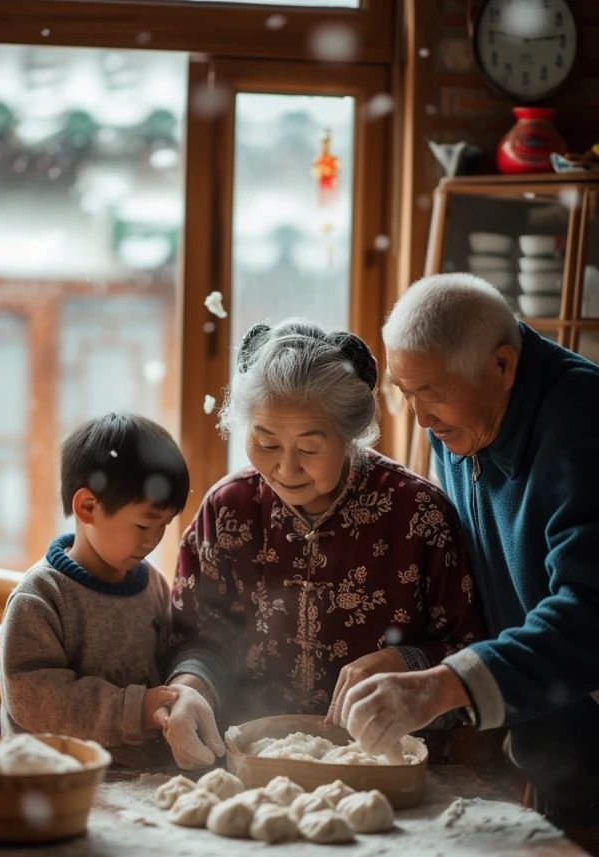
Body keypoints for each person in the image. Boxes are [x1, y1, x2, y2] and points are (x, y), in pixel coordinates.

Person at [337, 272, 599, 827]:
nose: (422, 418)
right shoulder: (462, 423)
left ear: (502, 365)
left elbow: (590, 614)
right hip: (554, 750)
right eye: (405, 394)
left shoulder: (582, 431)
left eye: (431, 393)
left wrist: (443, 685)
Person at [168, 318, 484, 731]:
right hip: (250, 755)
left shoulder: (418, 514)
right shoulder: (229, 510)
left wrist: (403, 661)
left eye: (309, 447)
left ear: (349, 436)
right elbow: (196, 636)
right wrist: (190, 690)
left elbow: (472, 650)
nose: (285, 467)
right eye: (265, 443)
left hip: (384, 760)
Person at [0, 412, 225, 769]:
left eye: (164, 525)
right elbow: (33, 698)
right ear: (87, 507)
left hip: (144, 779)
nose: (153, 540)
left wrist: (178, 696)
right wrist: (136, 710)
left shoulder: (152, 585)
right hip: (57, 783)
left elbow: (170, 659)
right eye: (143, 524)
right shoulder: (41, 597)